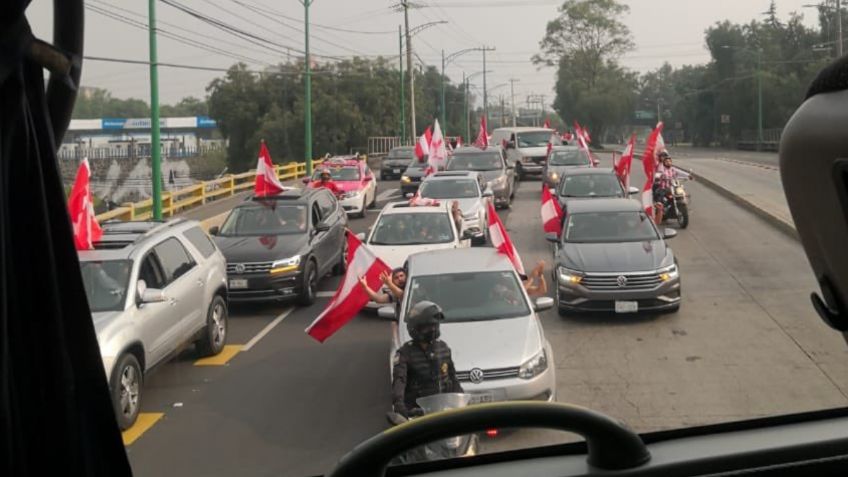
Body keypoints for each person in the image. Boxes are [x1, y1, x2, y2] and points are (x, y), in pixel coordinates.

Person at [391, 301, 463, 418]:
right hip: (418, 415)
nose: (433, 329)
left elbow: (453, 378)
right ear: (416, 328)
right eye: (429, 326)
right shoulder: (405, 353)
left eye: (435, 325)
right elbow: (399, 381)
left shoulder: (443, 348)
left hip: (444, 412)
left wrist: (461, 402)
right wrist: (400, 407)